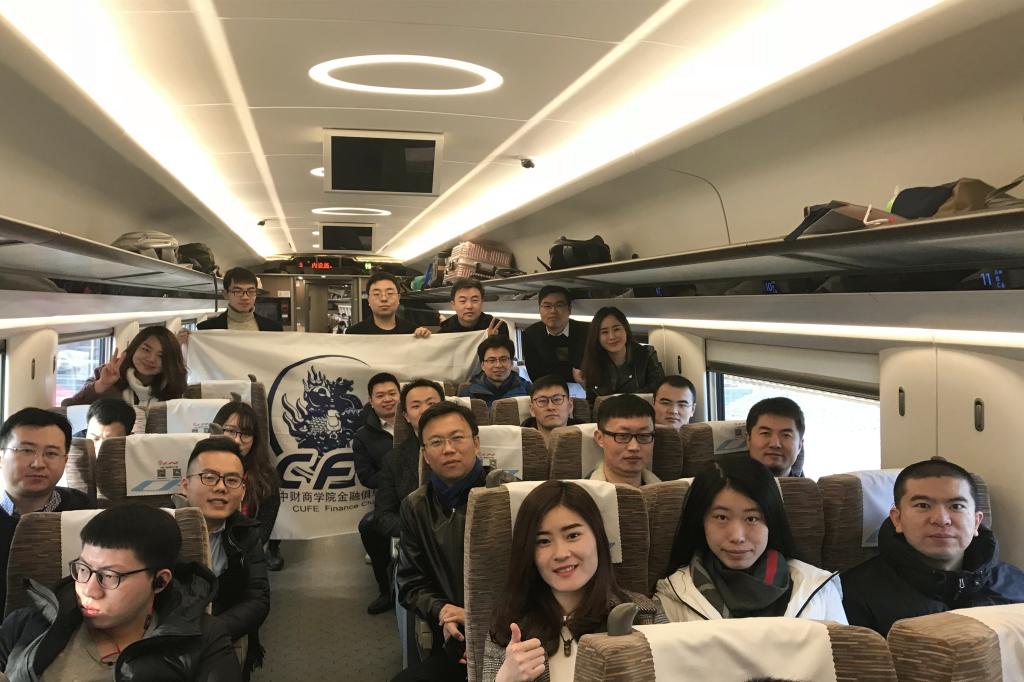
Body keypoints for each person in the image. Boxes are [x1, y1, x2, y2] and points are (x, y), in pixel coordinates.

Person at [0, 504, 240, 680]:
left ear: (160, 582)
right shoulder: (26, 625)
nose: (89, 590)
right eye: (83, 569)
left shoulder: (203, 640)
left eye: (109, 576)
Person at [483, 481, 667, 682]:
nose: (561, 553)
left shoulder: (644, 615)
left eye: (573, 535)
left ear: (598, 538)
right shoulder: (508, 626)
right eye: (543, 541)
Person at [841, 457, 1024, 636]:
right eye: (923, 505)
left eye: (956, 506)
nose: (941, 520)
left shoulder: (1015, 583)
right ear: (898, 519)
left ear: (976, 522)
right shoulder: (852, 594)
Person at [656, 454, 846, 623]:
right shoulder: (673, 595)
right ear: (701, 521)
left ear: (771, 522)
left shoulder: (818, 589)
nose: (737, 536)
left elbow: (842, 652)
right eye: (722, 517)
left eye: (752, 519)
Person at [394, 402, 493, 682]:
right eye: (436, 442)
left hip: (512, 632)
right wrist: (442, 611)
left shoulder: (509, 495)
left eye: (457, 438)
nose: (448, 449)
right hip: (454, 635)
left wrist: (479, 619)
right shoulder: (415, 506)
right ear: (425, 455)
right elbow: (410, 584)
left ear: (476, 443)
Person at [180, 436, 269, 679]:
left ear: (243, 490)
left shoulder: (247, 533)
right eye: (209, 477)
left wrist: (209, 635)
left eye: (231, 480)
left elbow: (258, 600)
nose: (221, 487)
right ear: (185, 485)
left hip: (221, 633)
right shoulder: (162, 530)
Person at [0, 408, 93, 609]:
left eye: (51, 453)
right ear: (1, 456)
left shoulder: (81, 509)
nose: (38, 463)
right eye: (26, 450)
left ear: (65, 460)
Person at [370, 379, 445, 615]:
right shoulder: (394, 461)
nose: (424, 410)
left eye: (431, 403)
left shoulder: (467, 450)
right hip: (419, 548)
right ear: (405, 415)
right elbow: (383, 517)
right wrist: (421, 534)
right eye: (416, 405)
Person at [212, 401, 282, 572]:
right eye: (230, 431)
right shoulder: (201, 470)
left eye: (246, 434)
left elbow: (262, 533)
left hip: (244, 558)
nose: (237, 440)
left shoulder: (266, 478)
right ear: (217, 430)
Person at [354, 372, 400, 614]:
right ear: (371, 402)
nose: (387, 399)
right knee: (369, 527)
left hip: (426, 494)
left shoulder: (419, 425)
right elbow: (366, 477)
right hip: (390, 500)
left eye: (392, 393)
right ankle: (385, 589)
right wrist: (394, 480)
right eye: (380, 396)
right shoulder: (363, 436)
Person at [62, 326, 187, 407]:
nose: (151, 359)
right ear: (134, 348)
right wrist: (102, 385)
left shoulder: (173, 386)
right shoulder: (108, 373)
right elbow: (69, 409)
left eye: (161, 356)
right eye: (146, 350)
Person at [579, 306, 665, 400]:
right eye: (604, 332)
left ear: (626, 329)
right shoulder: (592, 363)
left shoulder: (646, 355)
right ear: (597, 337)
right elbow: (592, 404)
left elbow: (660, 394)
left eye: (616, 329)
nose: (611, 337)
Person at [589, 394, 661, 487]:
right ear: (600, 438)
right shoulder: (581, 494)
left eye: (644, 435)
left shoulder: (669, 493)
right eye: (623, 436)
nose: (634, 447)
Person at [522, 286, 589, 384]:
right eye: (547, 306)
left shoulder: (587, 331)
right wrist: (572, 374)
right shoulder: (530, 335)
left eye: (559, 305)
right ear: (539, 310)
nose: (553, 311)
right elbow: (535, 375)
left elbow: (592, 368)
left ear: (569, 309)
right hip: (548, 388)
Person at [196, 267, 283, 332]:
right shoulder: (206, 329)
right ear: (225, 294)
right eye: (237, 291)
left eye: (251, 291)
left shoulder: (274, 329)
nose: (245, 297)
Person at [347, 272, 431, 337]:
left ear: (398, 298)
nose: (384, 299)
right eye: (376, 294)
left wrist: (425, 337)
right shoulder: (354, 333)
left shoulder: (412, 332)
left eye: (390, 293)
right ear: (368, 300)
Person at [460, 337, 531, 407]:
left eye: (503, 359)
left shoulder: (527, 390)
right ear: (482, 365)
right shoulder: (468, 394)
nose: (498, 365)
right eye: (492, 360)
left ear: (512, 363)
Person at [746, 397, 805, 478]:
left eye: (786, 435)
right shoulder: (729, 485)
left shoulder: (808, 486)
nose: (775, 444)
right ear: (748, 440)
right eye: (765, 433)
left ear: (800, 446)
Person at [520, 376, 583, 447]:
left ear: (570, 405)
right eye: (542, 401)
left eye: (557, 399)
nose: (550, 407)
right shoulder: (518, 443)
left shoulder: (586, 439)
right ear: (532, 409)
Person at [438, 278, 509, 337]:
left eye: (475, 300)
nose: (469, 306)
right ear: (453, 305)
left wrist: (493, 341)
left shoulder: (497, 327)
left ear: (482, 302)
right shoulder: (445, 331)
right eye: (463, 301)